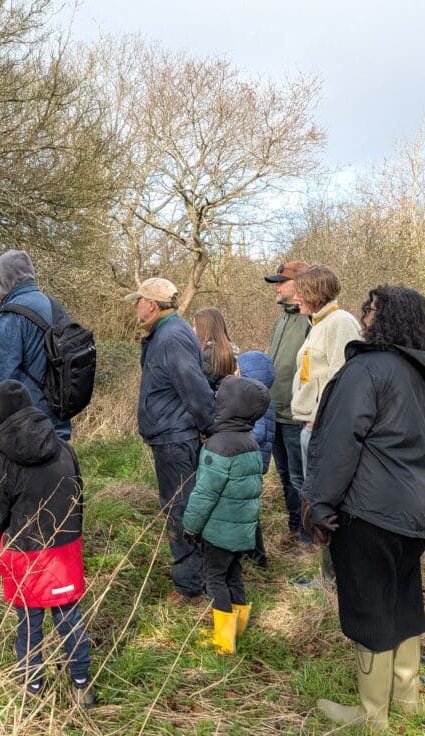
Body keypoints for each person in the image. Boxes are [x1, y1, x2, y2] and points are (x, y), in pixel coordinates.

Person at [302, 285, 425, 732]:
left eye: (371, 309)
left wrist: (320, 505)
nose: (365, 316)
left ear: (383, 317)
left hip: (371, 511)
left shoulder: (367, 369)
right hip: (420, 511)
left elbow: (336, 444)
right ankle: (406, 702)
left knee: (369, 610)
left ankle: (373, 718)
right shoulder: (422, 373)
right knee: (404, 603)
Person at [0, 379, 94, 706]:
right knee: (71, 620)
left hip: (22, 557)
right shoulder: (65, 448)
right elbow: (78, 497)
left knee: (28, 625)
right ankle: (83, 684)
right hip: (66, 552)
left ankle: (32, 688)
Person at [129, 277, 214, 603]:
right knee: (179, 507)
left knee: (182, 510)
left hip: (175, 438)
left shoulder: (172, 337)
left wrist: (210, 426)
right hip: (169, 435)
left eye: (138, 300)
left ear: (150, 304)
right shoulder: (163, 333)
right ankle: (194, 574)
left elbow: (195, 387)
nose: (135, 306)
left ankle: (191, 585)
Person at [182, 375, 270, 654]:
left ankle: (223, 641)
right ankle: (238, 628)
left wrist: (190, 527)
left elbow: (204, 494)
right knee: (234, 575)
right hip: (242, 530)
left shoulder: (217, 447)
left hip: (218, 531)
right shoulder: (251, 442)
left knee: (214, 579)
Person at [290, 264, 360, 577]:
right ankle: (328, 578)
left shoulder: (340, 322)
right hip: (311, 427)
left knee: (327, 505)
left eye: (300, 291)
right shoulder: (317, 323)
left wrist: (320, 422)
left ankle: (334, 582)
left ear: (316, 292)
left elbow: (343, 379)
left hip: (323, 430)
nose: (294, 297)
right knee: (315, 505)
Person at [0, 250, 71, 449]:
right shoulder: (56, 307)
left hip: (20, 426)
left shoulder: (9, 317)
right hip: (57, 415)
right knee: (56, 475)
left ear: (1, 280)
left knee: (17, 478)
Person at [264, 260, 311, 546]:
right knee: (285, 476)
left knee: (301, 479)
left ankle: (308, 539)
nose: (276, 286)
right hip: (274, 413)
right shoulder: (281, 319)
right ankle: (295, 529)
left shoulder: (311, 319)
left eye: (281, 281)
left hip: (298, 416)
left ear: (300, 284)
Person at [237, 351, 276, 569]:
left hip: (250, 464)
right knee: (246, 510)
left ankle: (258, 559)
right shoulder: (261, 398)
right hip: (253, 463)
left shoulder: (259, 401)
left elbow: (258, 434)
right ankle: (252, 555)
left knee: (248, 513)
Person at [193, 307, 239, 390]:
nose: (193, 329)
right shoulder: (228, 351)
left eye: (195, 326)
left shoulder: (210, 355)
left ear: (204, 329)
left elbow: (196, 388)